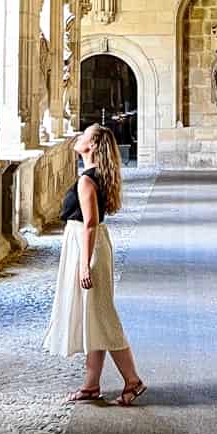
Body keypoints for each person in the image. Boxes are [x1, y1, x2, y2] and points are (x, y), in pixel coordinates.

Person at [42, 123, 146, 406]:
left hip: (87, 246)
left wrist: (84, 264)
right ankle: (91, 385)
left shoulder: (86, 181)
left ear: (92, 146)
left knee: (102, 315)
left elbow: (89, 224)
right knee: (94, 317)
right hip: (91, 243)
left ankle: (133, 381)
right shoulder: (94, 177)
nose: (78, 137)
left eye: (84, 135)